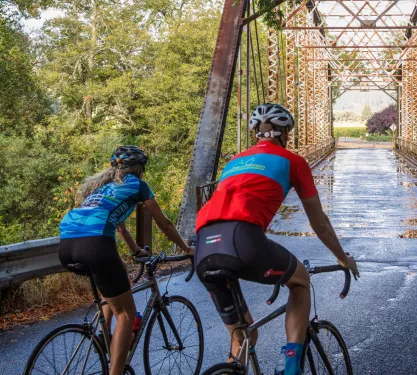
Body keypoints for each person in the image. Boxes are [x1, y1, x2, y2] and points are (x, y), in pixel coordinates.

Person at [194, 103, 359, 375]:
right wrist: (342, 258)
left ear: (256, 134)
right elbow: (319, 222)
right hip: (242, 241)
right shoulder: (293, 161)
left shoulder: (234, 161)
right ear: (286, 134)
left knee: (243, 337)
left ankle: (232, 368)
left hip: (203, 248)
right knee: (300, 280)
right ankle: (291, 362)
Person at [58, 145, 193, 375]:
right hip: (95, 245)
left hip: (66, 245)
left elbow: (120, 228)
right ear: (140, 169)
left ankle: (104, 335)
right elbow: (165, 224)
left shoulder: (102, 188)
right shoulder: (139, 186)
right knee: (127, 313)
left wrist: (135, 251)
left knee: (115, 280)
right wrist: (186, 248)